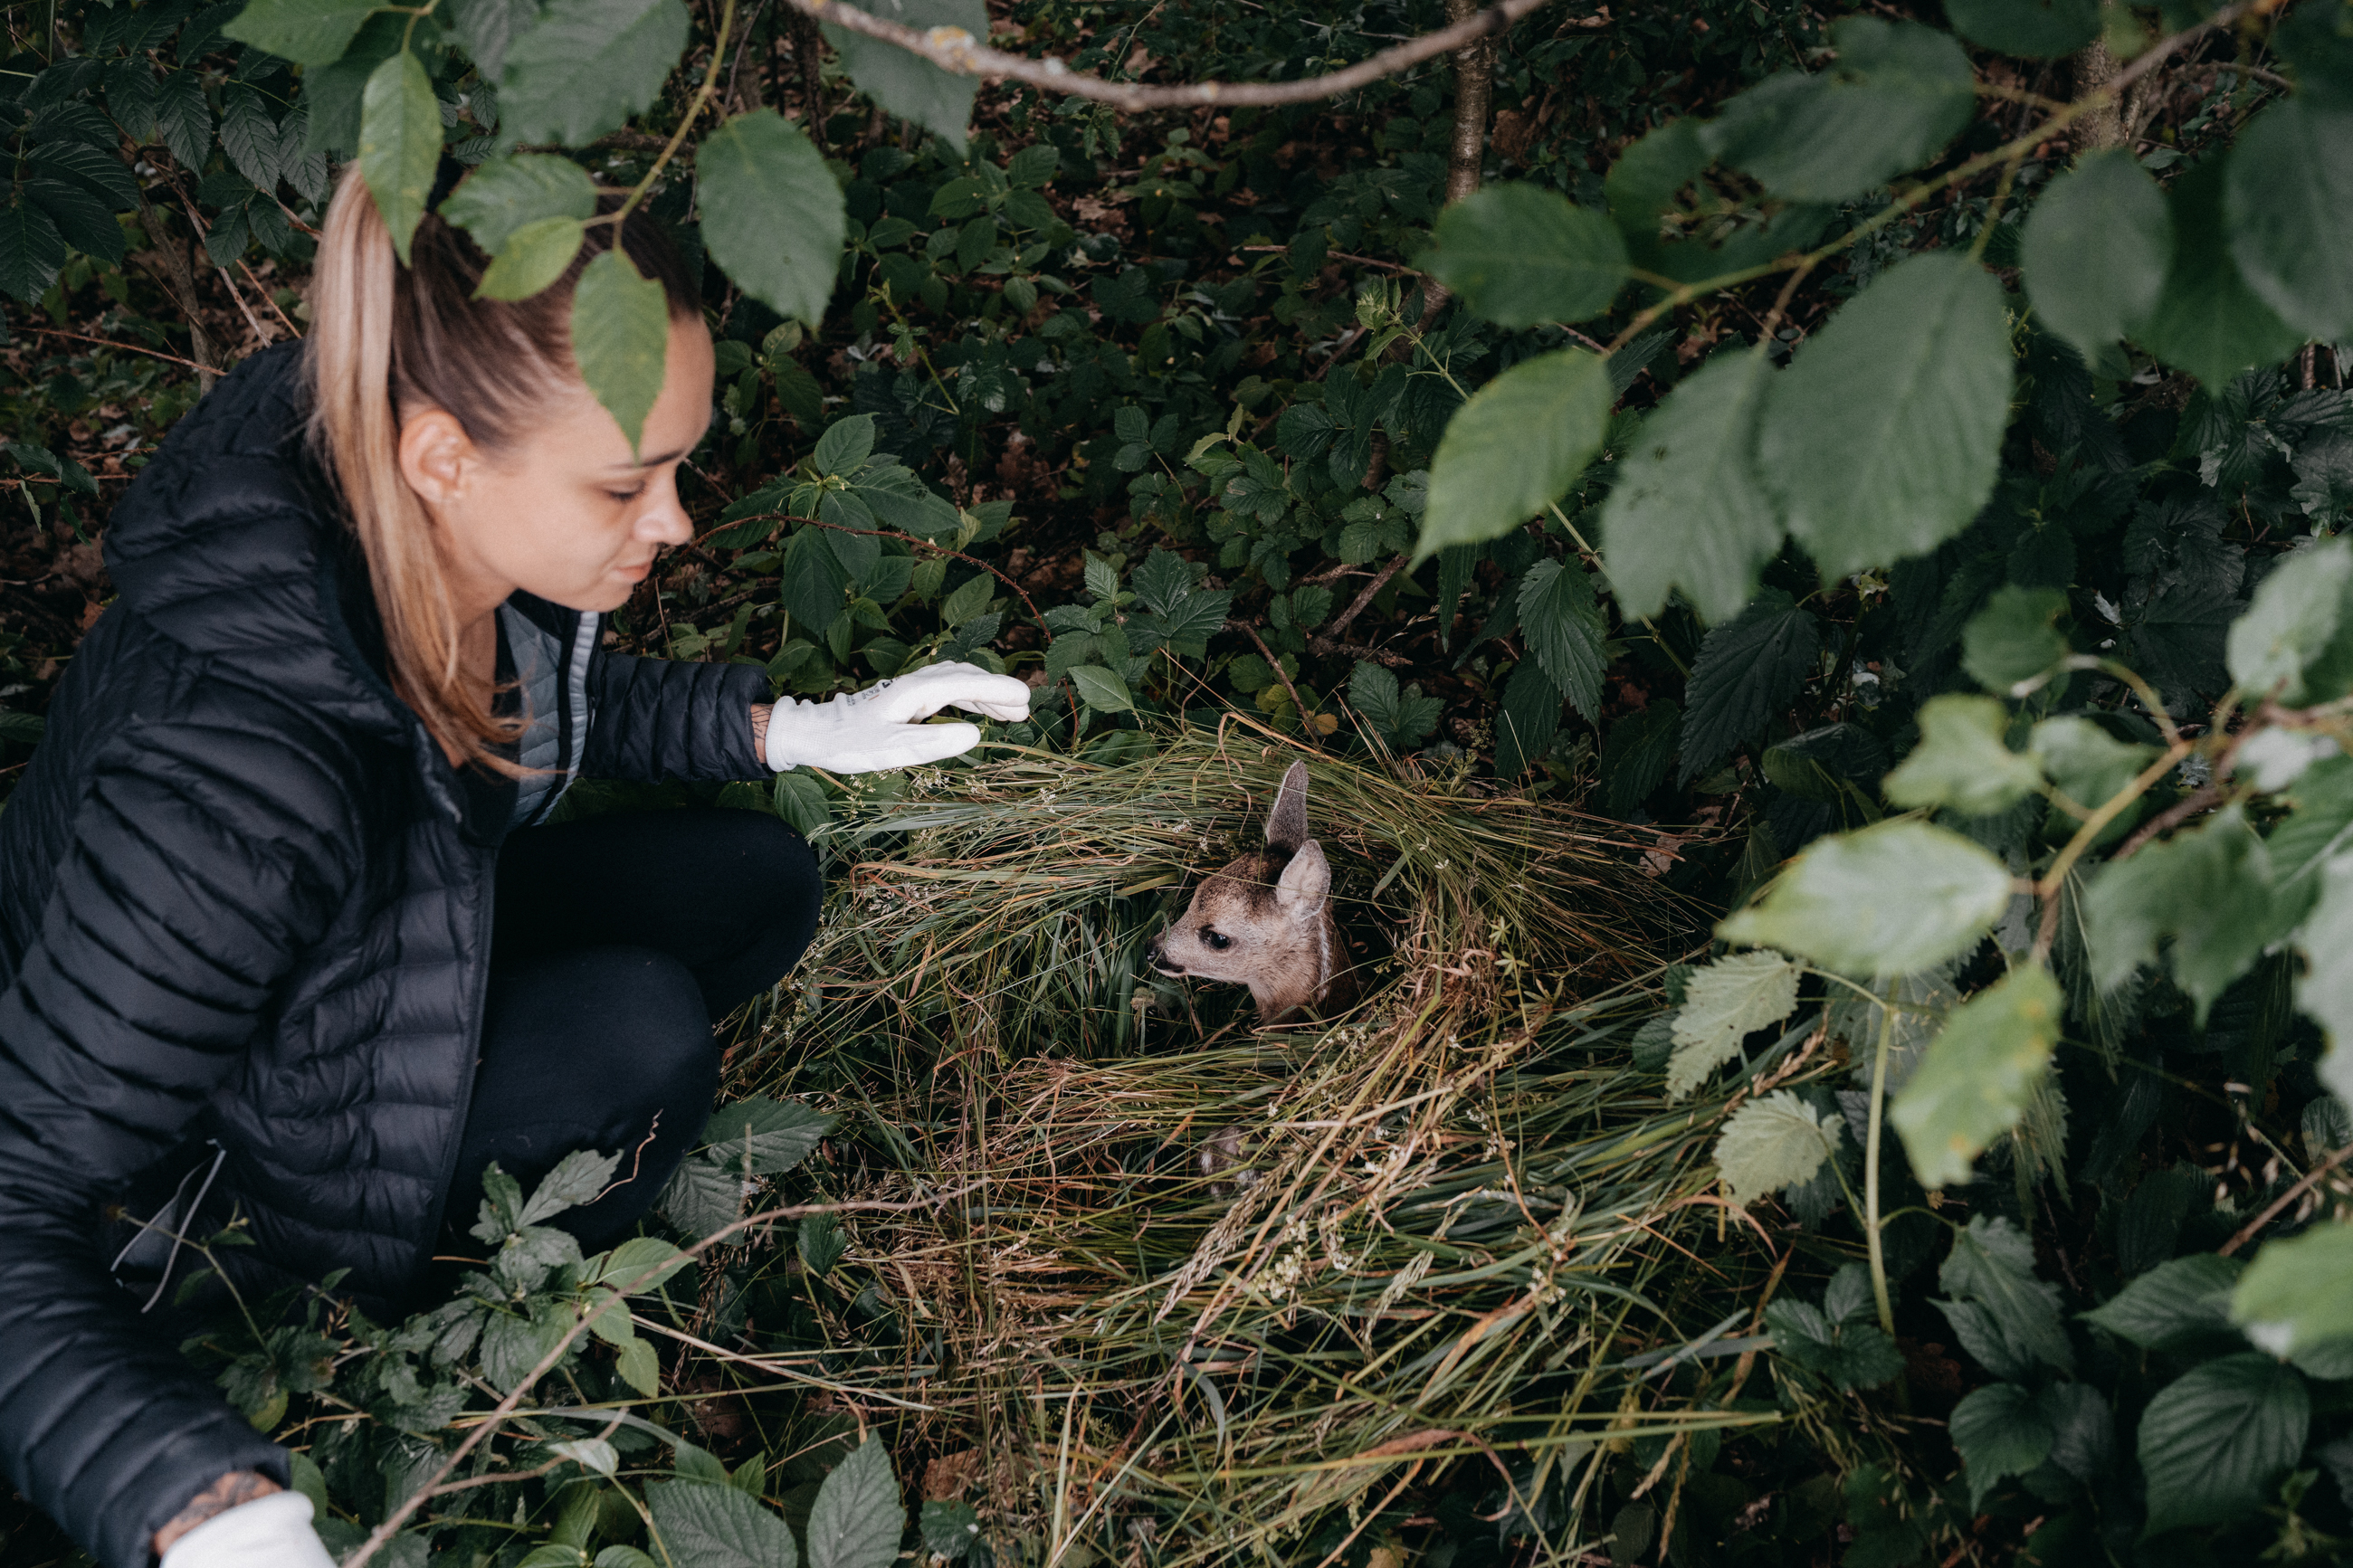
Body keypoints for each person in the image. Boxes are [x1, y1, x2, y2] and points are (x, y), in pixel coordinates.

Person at [0, 164, 1029, 1567]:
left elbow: (526, 711)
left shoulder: (418, 513)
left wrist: (793, 728)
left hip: (369, 948)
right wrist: (197, 1506)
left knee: (757, 880)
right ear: (445, 458)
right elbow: (21, 1195)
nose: (674, 520)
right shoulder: (228, 789)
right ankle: (410, 1278)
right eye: (625, 482)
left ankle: (518, 1097)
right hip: (240, 1145)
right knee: (645, 1031)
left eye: (675, 466)